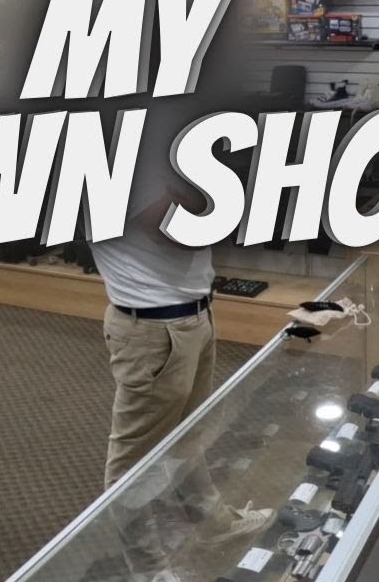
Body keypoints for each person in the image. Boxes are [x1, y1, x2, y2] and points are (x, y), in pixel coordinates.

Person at [90, 106, 271, 578]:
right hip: (153, 333)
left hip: (193, 317)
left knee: (189, 435)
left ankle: (212, 523)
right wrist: (198, 190)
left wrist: (189, 188)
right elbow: (190, 231)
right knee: (132, 465)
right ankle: (149, 570)